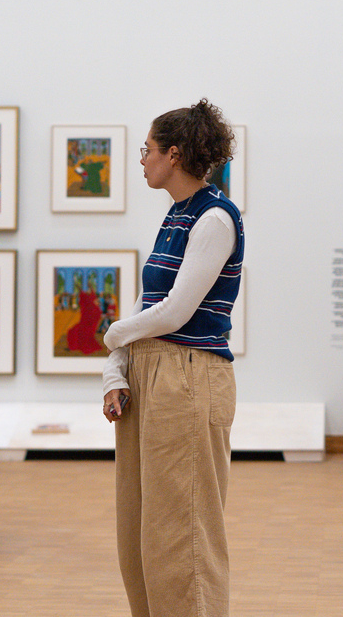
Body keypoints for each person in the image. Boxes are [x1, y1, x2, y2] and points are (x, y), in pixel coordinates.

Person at [101, 99, 243, 617]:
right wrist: (115, 370)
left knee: (183, 538)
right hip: (152, 373)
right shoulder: (176, 214)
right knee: (141, 532)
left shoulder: (216, 217)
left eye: (148, 150)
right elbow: (149, 305)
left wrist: (113, 336)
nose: (142, 159)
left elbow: (176, 312)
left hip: (187, 376)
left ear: (175, 154)